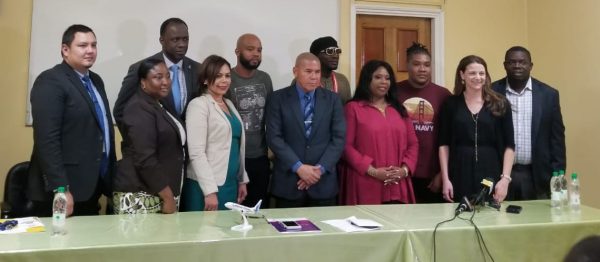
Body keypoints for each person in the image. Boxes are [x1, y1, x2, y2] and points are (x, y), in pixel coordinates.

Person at [27, 24, 116, 217]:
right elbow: (46, 140)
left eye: (94, 45)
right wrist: (60, 189)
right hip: (63, 190)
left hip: (93, 185)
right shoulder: (50, 81)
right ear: (65, 49)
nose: (90, 50)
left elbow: (102, 130)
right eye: (83, 45)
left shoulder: (96, 80)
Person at [266, 52, 346, 208]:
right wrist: (299, 168)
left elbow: (339, 138)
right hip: (289, 182)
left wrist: (319, 170)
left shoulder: (333, 100)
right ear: (295, 71)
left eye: (317, 72)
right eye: (308, 72)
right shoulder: (278, 99)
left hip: (323, 183)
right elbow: (274, 138)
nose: (314, 76)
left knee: (325, 231)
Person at [339, 60, 418, 205]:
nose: (383, 82)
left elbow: (413, 144)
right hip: (365, 182)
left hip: (397, 183)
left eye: (387, 78)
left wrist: (404, 170)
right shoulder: (353, 108)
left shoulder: (399, 110)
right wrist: (373, 171)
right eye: (378, 77)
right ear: (367, 79)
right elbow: (346, 147)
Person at [492, 46, 566, 200]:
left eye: (522, 62)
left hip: (537, 175)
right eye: (512, 62)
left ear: (531, 66)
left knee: (537, 222)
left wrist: (558, 176)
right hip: (499, 174)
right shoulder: (492, 92)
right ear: (504, 65)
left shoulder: (548, 95)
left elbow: (557, 139)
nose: (517, 66)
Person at [113, 59, 186, 214]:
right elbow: (145, 158)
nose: (166, 82)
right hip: (140, 194)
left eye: (168, 76)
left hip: (156, 191)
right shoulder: (138, 108)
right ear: (143, 82)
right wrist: (167, 196)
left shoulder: (157, 103)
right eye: (158, 77)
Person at [439, 55, 515, 203]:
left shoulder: (500, 103)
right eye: (472, 73)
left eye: (481, 73)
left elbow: (510, 146)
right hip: (459, 172)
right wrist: (445, 179)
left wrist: (505, 179)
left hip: (492, 172)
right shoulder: (450, 104)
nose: (478, 77)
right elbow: (443, 145)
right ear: (462, 75)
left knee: (491, 219)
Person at [182, 55, 249, 211]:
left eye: (227, 75)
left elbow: (237, 146)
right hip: (206, 186)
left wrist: (242, 180)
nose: (224, 80)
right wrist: (209, 191)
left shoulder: (229, 103)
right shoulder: (198, 105)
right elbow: (196, 153)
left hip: (230, 183)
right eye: (218, 76)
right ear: (205, 79)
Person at [114, 17, 200, 132]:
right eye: (175, 40)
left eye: (185, 39)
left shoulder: (198, 69)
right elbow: (120, 110)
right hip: (154, 146)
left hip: (189, 147)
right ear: (162, 40)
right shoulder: (141, 68)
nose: (182, 44)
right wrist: (135, 141)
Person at [396, 42, 451, 203]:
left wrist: (442, 174)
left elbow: (451, 138)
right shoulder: (393, 92)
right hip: (401, 171)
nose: (422, 69)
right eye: (416, 64)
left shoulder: (443, 95)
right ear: (407, 65)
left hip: (433, 174)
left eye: (427, 65)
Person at [226, 33, 273, 208]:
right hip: (235, 157)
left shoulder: (265, 79)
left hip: (260, 156)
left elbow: (270, 115)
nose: (256, 54)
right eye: (250, 49)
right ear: (237, 51)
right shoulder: (227, 78)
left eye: (259, 50)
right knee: (235, 208)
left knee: (259, 209)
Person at [309, 36, 352, 104]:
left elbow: (347, 109)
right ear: (316, 56)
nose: (335, 56)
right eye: (329, 51)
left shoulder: (342, 80)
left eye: (337, 51)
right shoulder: (303, 80)